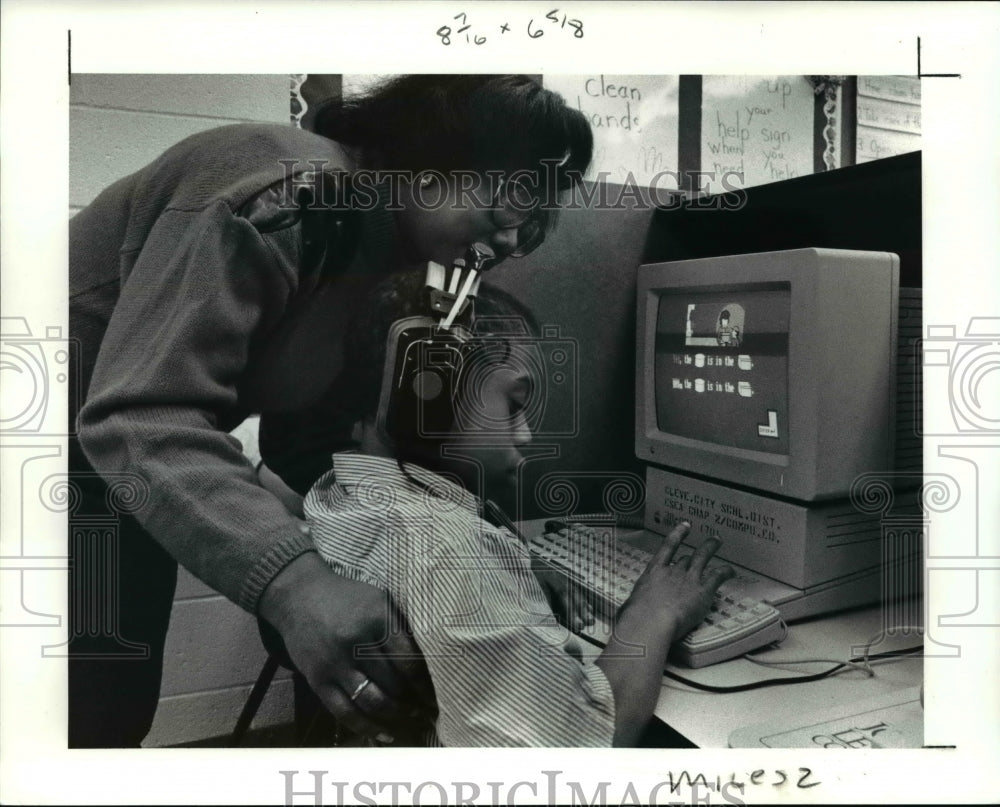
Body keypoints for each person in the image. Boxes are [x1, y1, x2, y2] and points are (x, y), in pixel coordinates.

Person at [68, 74, 593, 747]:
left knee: (108, 699)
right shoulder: (285, 190)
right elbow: (143, 417)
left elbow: (311, 439)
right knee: (87, 713)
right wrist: (295, 582)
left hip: (107, 467)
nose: (512, 233)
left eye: (535, 215)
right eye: (508, 194)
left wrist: (495, 561)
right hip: (56, 451)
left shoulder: (384, 256)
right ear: (429, 156)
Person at [289, 272, 735, 746]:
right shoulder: (448, 552)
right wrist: (652, 613)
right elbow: (577, 754)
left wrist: (512, 566)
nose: (525, 435)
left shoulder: (341, 492)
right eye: (513, 405)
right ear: (428, 396)